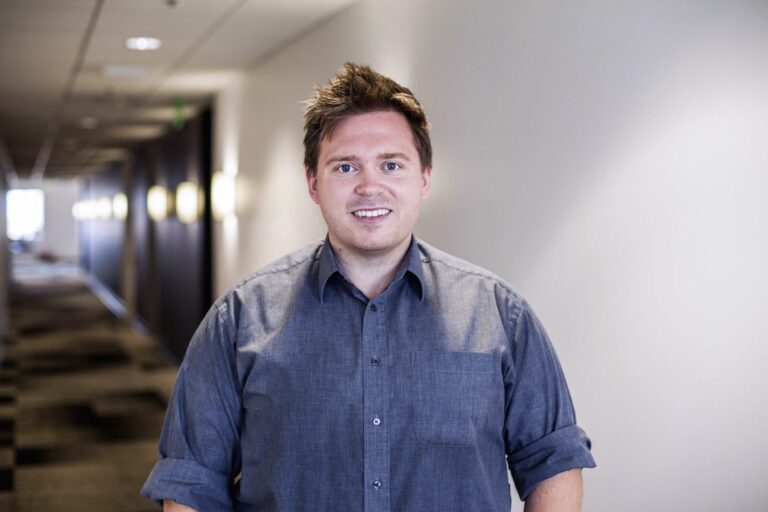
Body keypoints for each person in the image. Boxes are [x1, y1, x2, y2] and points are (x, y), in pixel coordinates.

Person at [141, 62, 595, 511]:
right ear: (313, 183)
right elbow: (191, 482)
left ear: (424, 179)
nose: (369, 187)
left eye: (391, 164)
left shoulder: (500, 314)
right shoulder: (240, 318)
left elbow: (553, 461)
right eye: (345, 168)